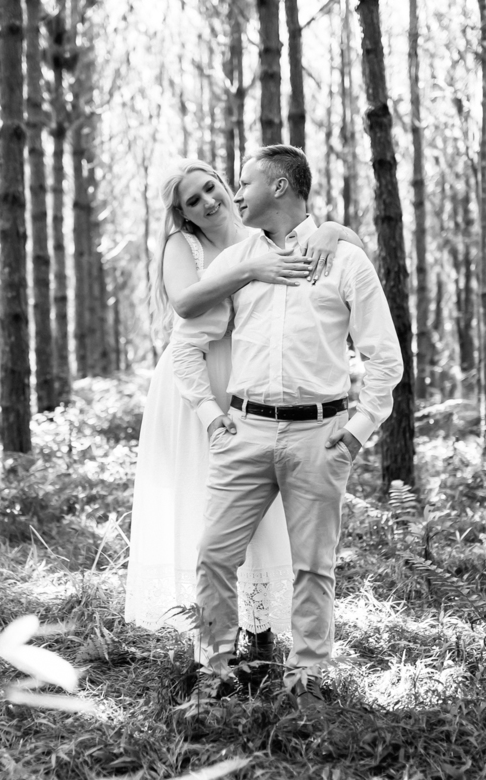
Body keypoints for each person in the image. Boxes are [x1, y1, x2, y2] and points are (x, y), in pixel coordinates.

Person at [172, 145, 402, 707]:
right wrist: (211, 417)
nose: (235, 194)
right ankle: (217, 669)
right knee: (214, 555)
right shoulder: (238, 263)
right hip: (244, 431)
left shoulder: (344, 260)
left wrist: (357, 429)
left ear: (278, 187)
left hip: (319, 435)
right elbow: (186, 345)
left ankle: (306, 677)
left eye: (244, 182)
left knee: (313, 567)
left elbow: (385, 357)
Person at [124, 159, 363, 655]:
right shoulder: (184, 245)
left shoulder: (260, 228)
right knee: (212, 509)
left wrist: (333, 229)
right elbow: (185, 304)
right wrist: (249, 270)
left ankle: (261, 627)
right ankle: (211, 643)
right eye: (193, 201)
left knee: (266, 512)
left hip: (254, 374)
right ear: (183, 214)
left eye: (211, 188)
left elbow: (341, 250)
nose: (209, 201)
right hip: (199, 376)